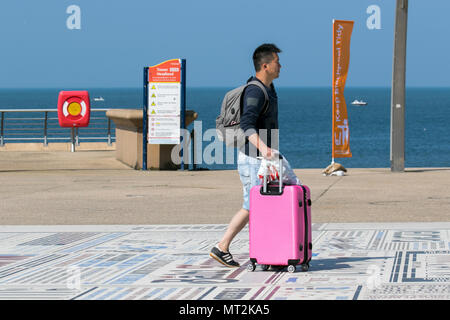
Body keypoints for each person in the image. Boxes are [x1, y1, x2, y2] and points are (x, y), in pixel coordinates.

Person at [210, 43, 282, 267]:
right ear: (265, 65)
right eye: (277, 62)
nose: (281, 66)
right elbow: (247, 124)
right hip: (253, 159)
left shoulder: (269, 89)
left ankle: (266, 252)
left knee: (260, 205)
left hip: (261, 159)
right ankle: (222, 247)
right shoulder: (255, 90)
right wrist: (263, 148)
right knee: (253, 205)